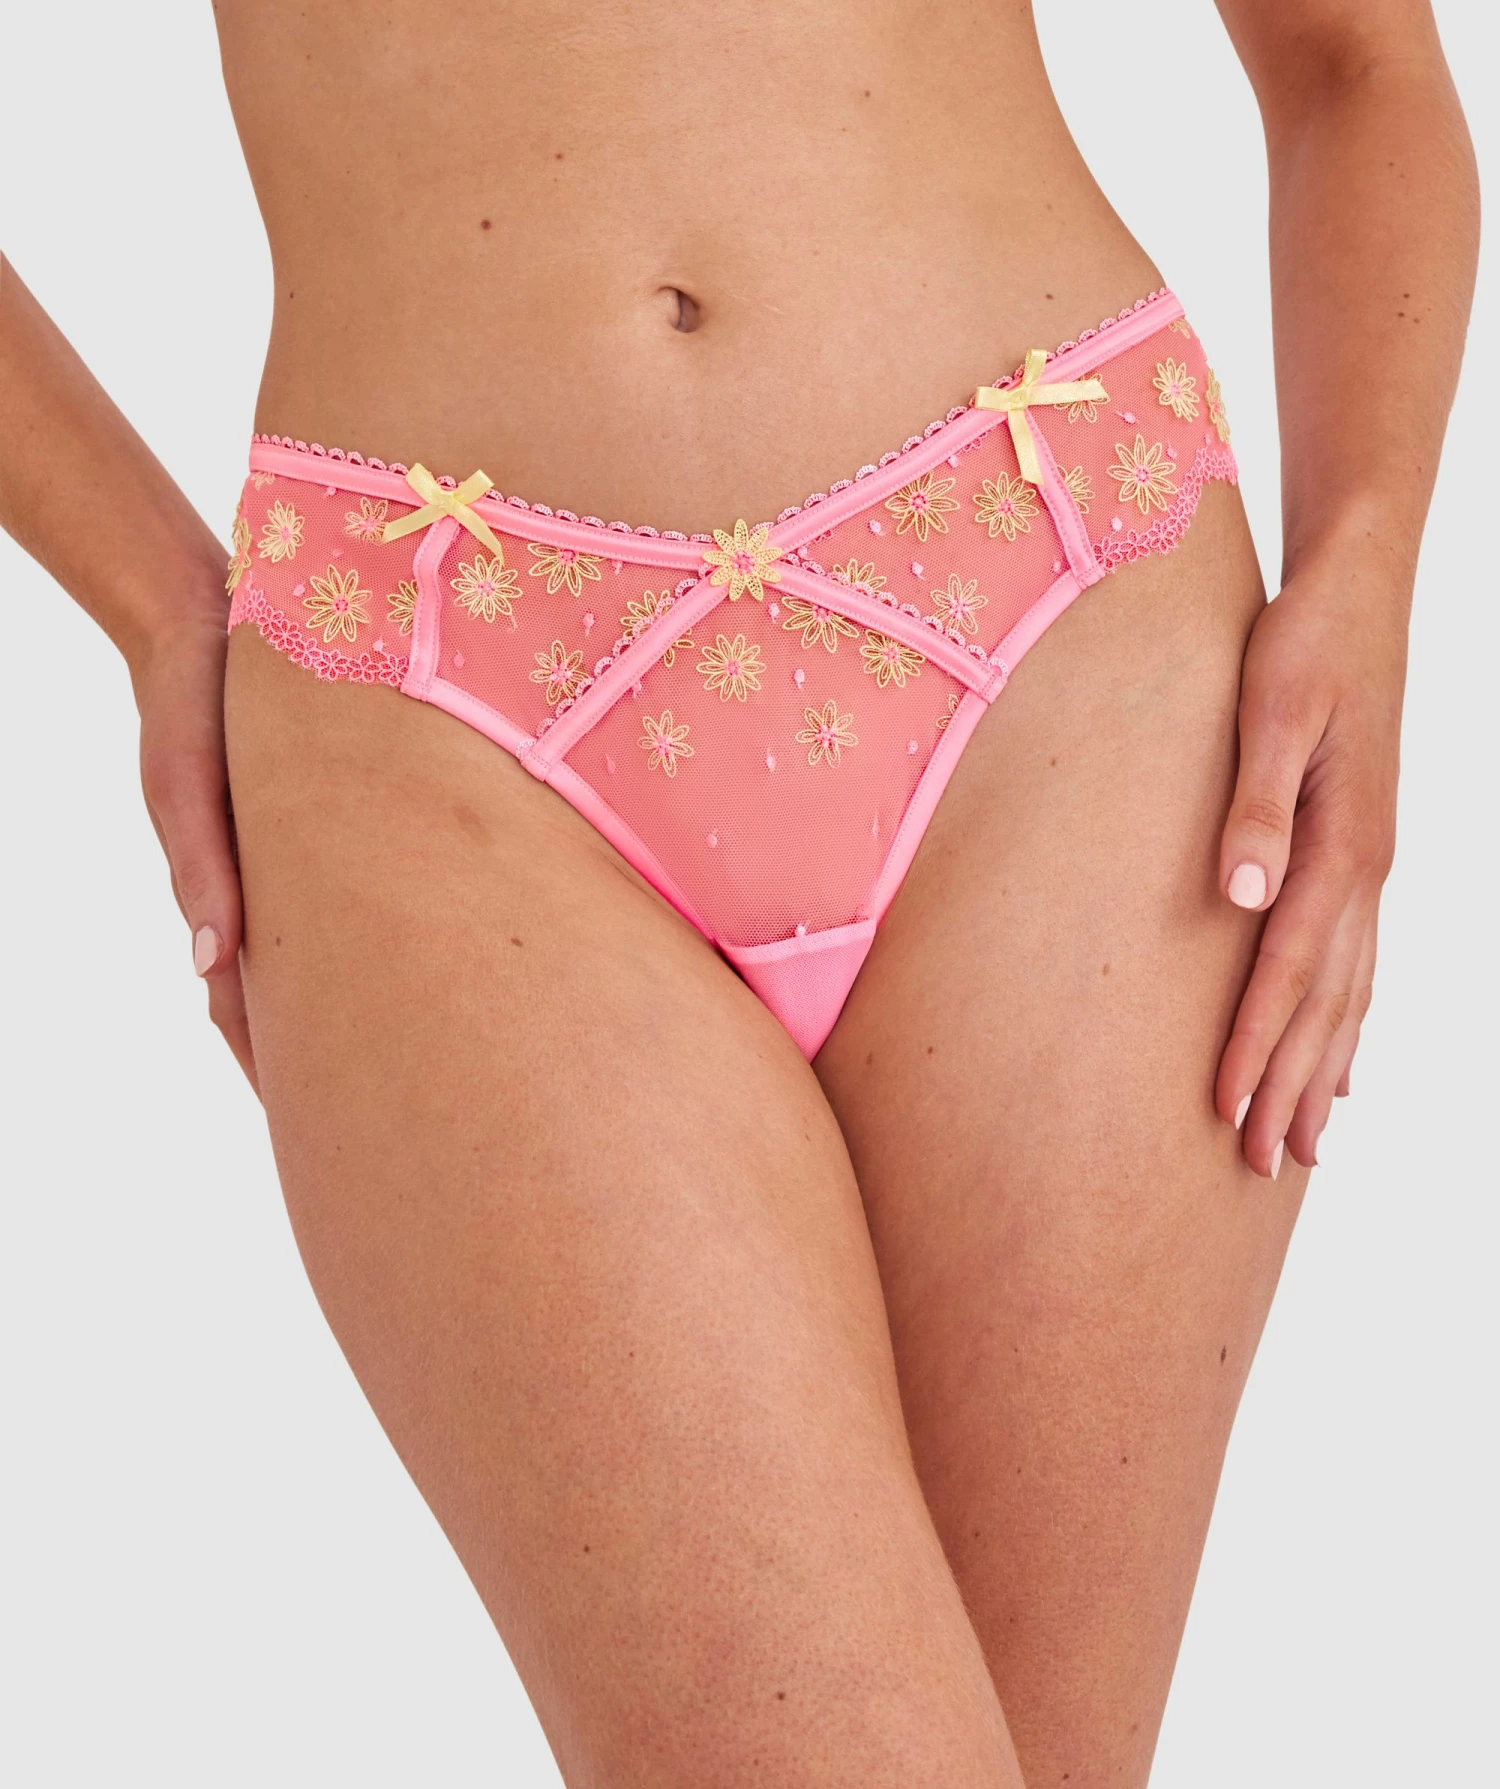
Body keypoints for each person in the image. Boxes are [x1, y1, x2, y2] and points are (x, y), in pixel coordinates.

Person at [0, 1, 1477, 1782]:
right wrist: (161, 607)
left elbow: (1353, 66)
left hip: (1059, 616)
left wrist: (1366, 568)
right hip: (436, 698)